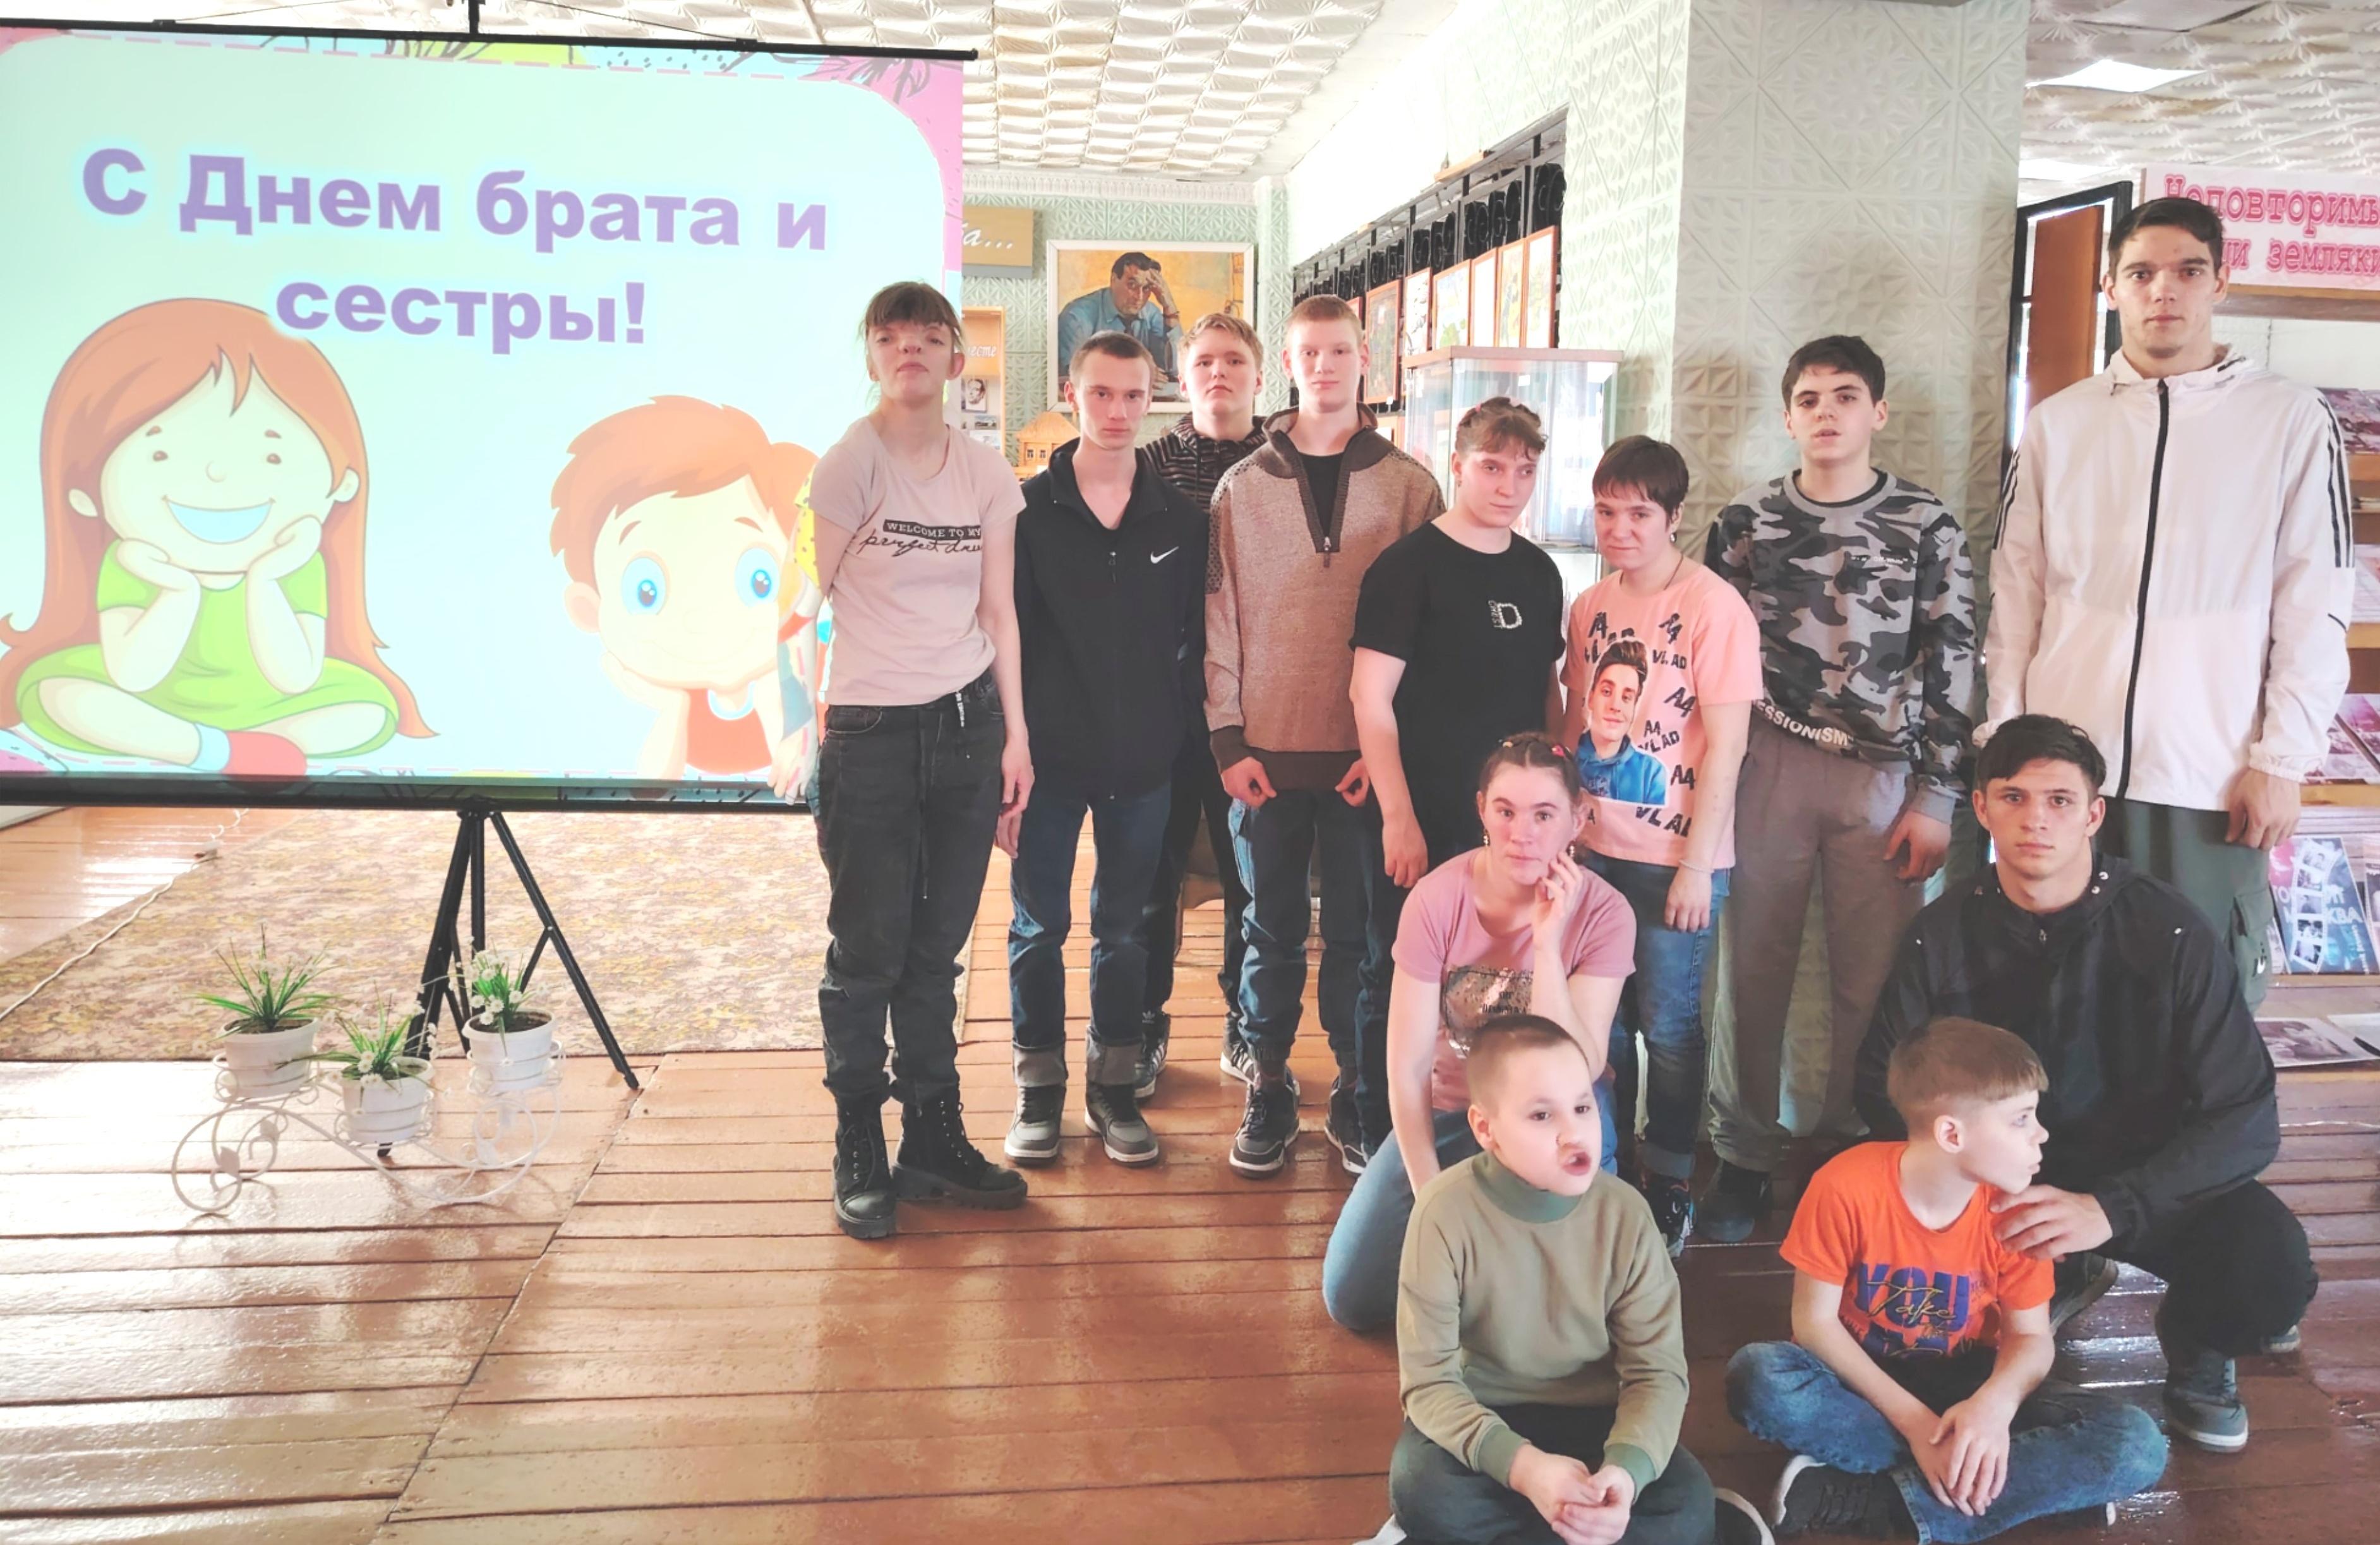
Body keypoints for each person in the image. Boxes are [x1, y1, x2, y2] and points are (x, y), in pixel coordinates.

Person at [1855, 714, 2317, 1452]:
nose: (2036, 819)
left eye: (2060, 800)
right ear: (1983, 808)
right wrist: (1976, 1190)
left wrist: (2112, 1208)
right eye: (2014, 797)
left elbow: (2246, 1118)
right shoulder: (1939, 933)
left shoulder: (2170, 930)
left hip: (2140, 1174)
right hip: (2000, 1183)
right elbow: (1884, 1090)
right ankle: (2045, 1282)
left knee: (2271, 1271)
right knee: (1872, 1249)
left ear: (2094, 814)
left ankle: (2197, 1343)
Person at [1986, 195, 2352, 1006]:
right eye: (2142, 273)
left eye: (2188, 271)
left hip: (2209, 775)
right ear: (2112, 288)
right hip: (2067, 773)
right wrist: (2009, 740)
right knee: (2054, 998)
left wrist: (2281, 759)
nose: (2164, 291)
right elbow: (2018, 591)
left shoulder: (2289, 419)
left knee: (2196, 1006)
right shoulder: (2059, 423)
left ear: (2220, 282)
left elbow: (2315, 598)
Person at [1700, 335, 1978, 1245]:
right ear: (1788, 417)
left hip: (1885, 778)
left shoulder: (1926, 523)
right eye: (1810, 399)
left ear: (1878, 412)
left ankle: (1851, 1146)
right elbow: (1711, 656)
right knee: (1753, 968)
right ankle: (1743, 1151)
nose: (1827, 412)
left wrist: (1938, 795)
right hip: (1768, 766)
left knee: (1874, 978)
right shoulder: (1746, 523)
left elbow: (1954, 658)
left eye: (1846, 396)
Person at [768, 282, 1031, 1240]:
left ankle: (932, 1136)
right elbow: (798, 609)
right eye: (890, 337)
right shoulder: (846, 466)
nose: (909, 349)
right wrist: (799, 728)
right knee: (867, 953)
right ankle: (859, 1141)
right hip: (872, 732)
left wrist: (1017, 737)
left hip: (967, 729)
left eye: (927, 335)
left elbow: (999, 613)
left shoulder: (988, 474)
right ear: (873, 358)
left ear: (957, 357)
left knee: (937, 952)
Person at [1727, 1017, 2168, 1540]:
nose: (2042, 1134)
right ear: (1951, 1134)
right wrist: (1918, 1427)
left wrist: (1993, 1409)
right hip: (1859, 1381)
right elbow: (1815, 1325)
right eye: (2021, 1119)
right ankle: (2012, 1486)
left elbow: (2030, 1337)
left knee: (2136, 1444)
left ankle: (1874, 1499)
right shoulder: (1844, 1186)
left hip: (1968, 1379)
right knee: (1758, 1377)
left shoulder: (2017, 1214)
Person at [1205, 294, 1443, 1177]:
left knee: (1359, 935)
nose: (1325, 366)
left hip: (1362, 760)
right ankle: (1268, 1081)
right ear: (1288, 364)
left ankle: (1355, 1084)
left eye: (1339, 350)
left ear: (1363, 357)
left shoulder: (1411, 486)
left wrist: (1389, 754)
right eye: (1309, 351)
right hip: (1265, 755)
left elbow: (1430, 630)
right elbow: (1220, 617)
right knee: (1267, 929)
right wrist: (1228, 739)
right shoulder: (1242, 487)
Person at [1389, 1014, 1772, 1545]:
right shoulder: (1442, 1214)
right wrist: (1525, 1470)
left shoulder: (1626, 1215)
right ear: (1485, 1129)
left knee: (1685, 1503)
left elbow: (1657, 1373)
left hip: (1599, 1418)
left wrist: (1625, 1475)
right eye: (1542, 1114)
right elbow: (1429, 1383)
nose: (1574, 1132)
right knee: (1421, 1485)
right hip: (1489, 1416)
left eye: (1584, 1107)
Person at [3, 299, 427, 774]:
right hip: (152, 702)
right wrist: (177, 591)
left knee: (368, 710)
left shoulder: (297, 561)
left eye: (271, 457)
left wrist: (265, 580)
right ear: (85, 494)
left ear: (342, 483)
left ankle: (216, 748)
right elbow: (133, 675)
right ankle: (220, 751)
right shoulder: (133, 561)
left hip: (273, 706)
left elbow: (295, 678)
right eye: (161, 456)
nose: (217, 473)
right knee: (60, 692)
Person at [1321, 733, 1636, 1333]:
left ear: (1577, 821)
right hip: (1454, 1111)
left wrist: (1547, 945)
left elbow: (1579, 1068)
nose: (1523, 834)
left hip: (1559, 1117)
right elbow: (1407, 1069)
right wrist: (1431, 1203)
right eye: (1506, 811)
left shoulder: (1606, 913)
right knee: (1352, 1295)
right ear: (1482, 811)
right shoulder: (1436, 899)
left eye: (1544, 815)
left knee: (1585, 1312)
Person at [1001, 332, 1203, 1169]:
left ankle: (1114, 1089)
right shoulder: (1023, 511)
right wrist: (1009, 748)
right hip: (1046, 761)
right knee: (1038, 925)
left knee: (1125, 929)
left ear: (1152, 399)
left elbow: (1192, 641)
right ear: (1071, 395)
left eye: (1133, 396)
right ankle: (1038, 1088)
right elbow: (1004, 635)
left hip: (1145, 760)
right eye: (1101, 394)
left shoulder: (1181, 519)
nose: (1118, 412)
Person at [1563, 435, 1762, 1254]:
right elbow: (1573, 724)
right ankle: (1607, 1167)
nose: (1620, 528)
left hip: (1674, 860)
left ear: (1675, 517)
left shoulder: (1714, 606)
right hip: (1592, 853)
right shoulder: (1589, 605)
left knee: (1669, 1026)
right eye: (1607, 512)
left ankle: (1672, 1179)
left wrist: (1696, 867)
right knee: (1599, 1024)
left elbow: (1729, 746)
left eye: (1639, 513)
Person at [1352, 395, 1566, 881]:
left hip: (1518, 823)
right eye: (1492, 467)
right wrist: (1398, 818)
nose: (1509, 487)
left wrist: (1558, 801)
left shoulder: (1540, 572)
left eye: (1525, 471)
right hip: (1426, 811)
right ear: (1458, 466)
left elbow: (1546, 689)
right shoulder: (1406, 567)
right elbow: (1368, 698)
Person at [1138, 312, 1270, 1098]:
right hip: (1162, 705)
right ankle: (1144, 1023)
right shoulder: (1146, 467)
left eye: (1233, 361)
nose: (1219, 373)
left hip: (1254, 708)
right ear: (1183, 380)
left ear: (1259, 375)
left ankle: (1245, 1023)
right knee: (1152, 875)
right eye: (1205, 363)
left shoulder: (1285, 467)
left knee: (1250, 877)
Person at [548, 397, 814, 780]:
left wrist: (777, 703)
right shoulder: (674, 699)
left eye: (759, 581)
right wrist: (672, 709)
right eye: (646, 592)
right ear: (589, 609)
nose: (700, 618)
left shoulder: (809, 666)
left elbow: (802, 782)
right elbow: (651, 790)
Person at [1055, 251, 1182, 395]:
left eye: (1147, 288)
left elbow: (1176, 369)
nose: (1139, 297)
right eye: (1132, 285)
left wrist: (1170, 309)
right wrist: (1133, 373)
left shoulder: (1151, 314)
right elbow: (1071, 375)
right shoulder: (1077, 316)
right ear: (1114, 280)